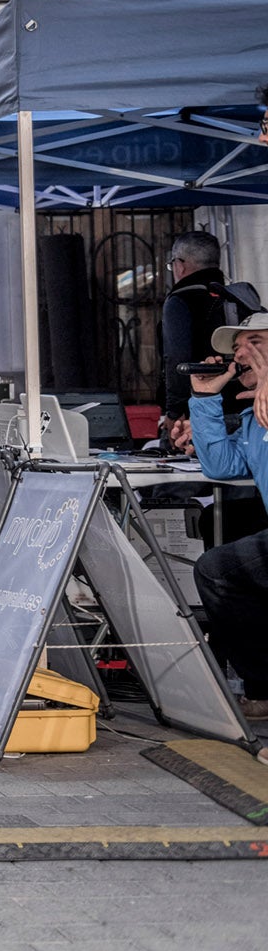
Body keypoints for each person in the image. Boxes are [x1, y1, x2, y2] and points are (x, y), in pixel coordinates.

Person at [184, 312, 268, 726]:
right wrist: (203, 400)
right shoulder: (254, 416)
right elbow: (220, 464)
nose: (241, 354)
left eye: (254, 342)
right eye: (237, 348)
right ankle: (262, 690)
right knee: (218, 565)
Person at [162, 231, 257, 454]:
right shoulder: (242, 298)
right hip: (247, 410)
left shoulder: (181, 300)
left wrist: (174, 410)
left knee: (175, 480)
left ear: (180, 265)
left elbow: (176, 359)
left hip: (199, 413)